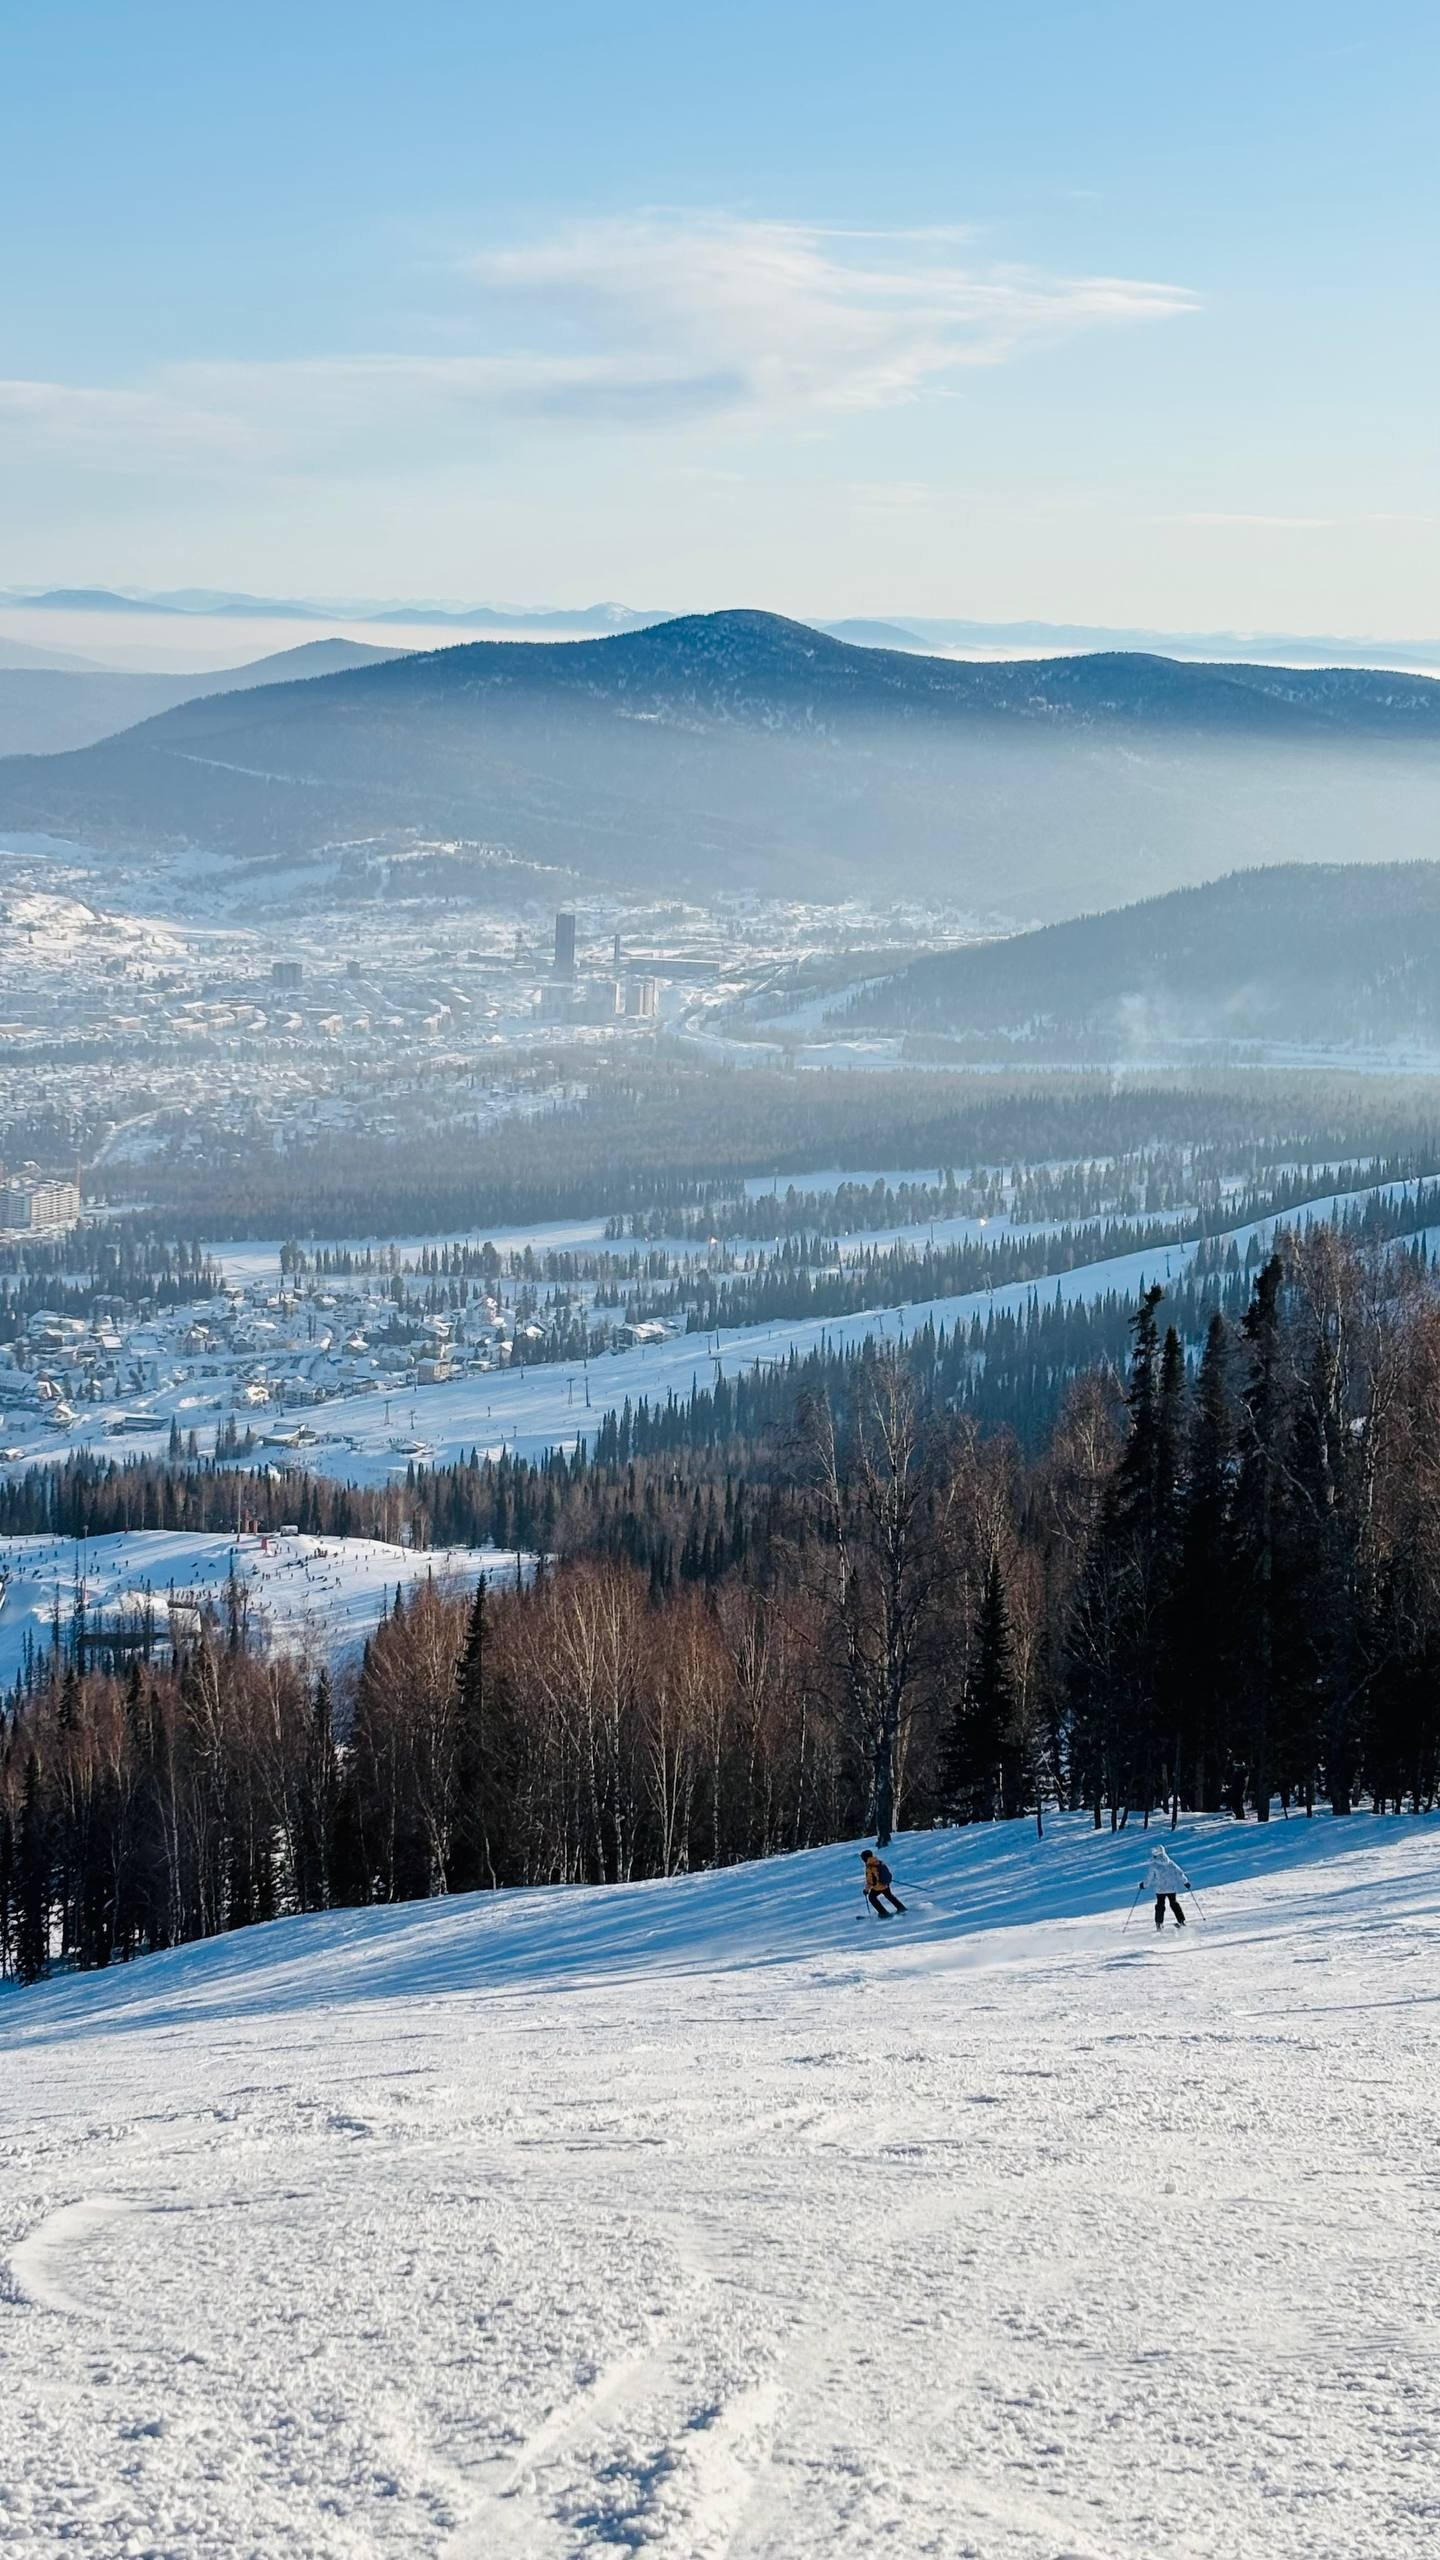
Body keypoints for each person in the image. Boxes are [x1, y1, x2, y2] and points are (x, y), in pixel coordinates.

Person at [1142, 1841, 1189, 1928]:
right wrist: (1185, 1882)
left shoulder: (1154, 1865)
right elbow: (1179, 1873)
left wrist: (1144, 1885)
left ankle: (1159, 1924)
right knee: (1174, 1904)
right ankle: (1181, 1921)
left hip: (1160, 1889)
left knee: (1160, 1905)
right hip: (1171, 1888)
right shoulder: (1171, 1863)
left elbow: (1149, 1878)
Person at [861, 1849, 906, 1917]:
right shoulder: (879, 1862)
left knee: (872, 1897)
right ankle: (901, 1907)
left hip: (878, 1886)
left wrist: (866, 1890)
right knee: (889, 1895)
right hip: (885, 1884)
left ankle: (883, 1913)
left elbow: (870, 1882)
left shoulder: (869, 1867)